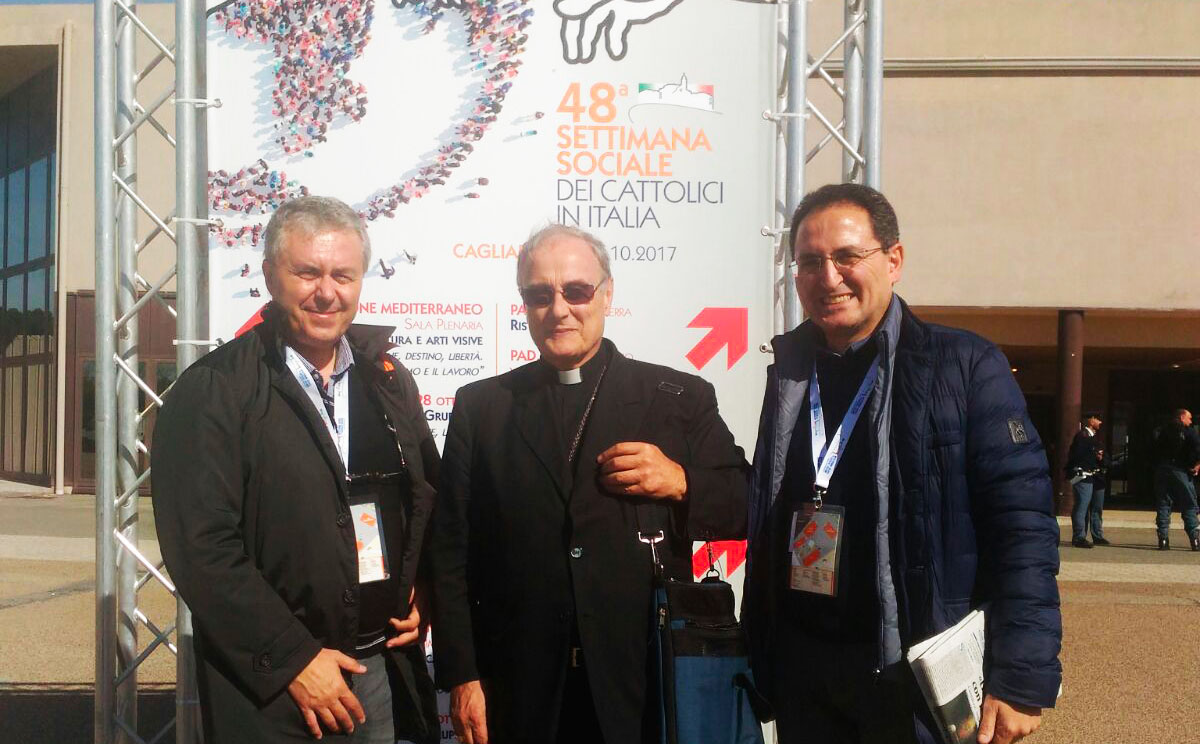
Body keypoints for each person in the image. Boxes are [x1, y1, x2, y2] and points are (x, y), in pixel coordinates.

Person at [743, 183, 1062, 744]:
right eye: (810, 262)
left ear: (894, 261)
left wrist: (1020, 674)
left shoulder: (965, 366)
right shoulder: (790, 372)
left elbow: (1023, 529)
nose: (829, 277)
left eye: (847, 256)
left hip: (910, 676)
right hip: (806, 672)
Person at [429, 224, 748, 744]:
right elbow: (450, 554)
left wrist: (680, 482)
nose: (559, 310)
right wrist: (463, 676)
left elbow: (745, 503)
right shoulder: (482, 407)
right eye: (540, 295)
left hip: (641, 683)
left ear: (606, 294)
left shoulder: (676, 397)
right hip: (520, 688)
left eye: (576, 291)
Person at [152, 196, 439, 743]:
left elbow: (423, 499)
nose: (326, 292)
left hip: (377, 670)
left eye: (342, 275)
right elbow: (202, 546)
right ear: (269, 276)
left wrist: (423, 586)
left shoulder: (387, 381)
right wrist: (293, 660)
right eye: (307, 273)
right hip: (278, 692)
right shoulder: (215, 389)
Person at [1152, 408, 1200, 551]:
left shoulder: (1161, 431)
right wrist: (1197, 464)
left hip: (1162, 470)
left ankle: (1163, 539)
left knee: (1163, 504)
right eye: (1189, 418)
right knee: (1189, 504)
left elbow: (1153, 450)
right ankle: (1195, 540)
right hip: (1181, 470)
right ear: (1181, 417)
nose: (1191, 421)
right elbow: (1198, 448)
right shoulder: (1188, 432)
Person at [1066, 413, 1108, 548]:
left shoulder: (1094, 438)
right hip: (1084, 475)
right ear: (1091, 420)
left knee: (1096, 508)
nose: (1100, 422)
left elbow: (1103, 456)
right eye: (1098, 419)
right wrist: (1094, 452)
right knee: (1082, 506)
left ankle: (1096, 535)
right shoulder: (1082, 437)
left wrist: (1101, 458)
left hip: (1096, 477)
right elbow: (1079, 456)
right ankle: (1079, 537)